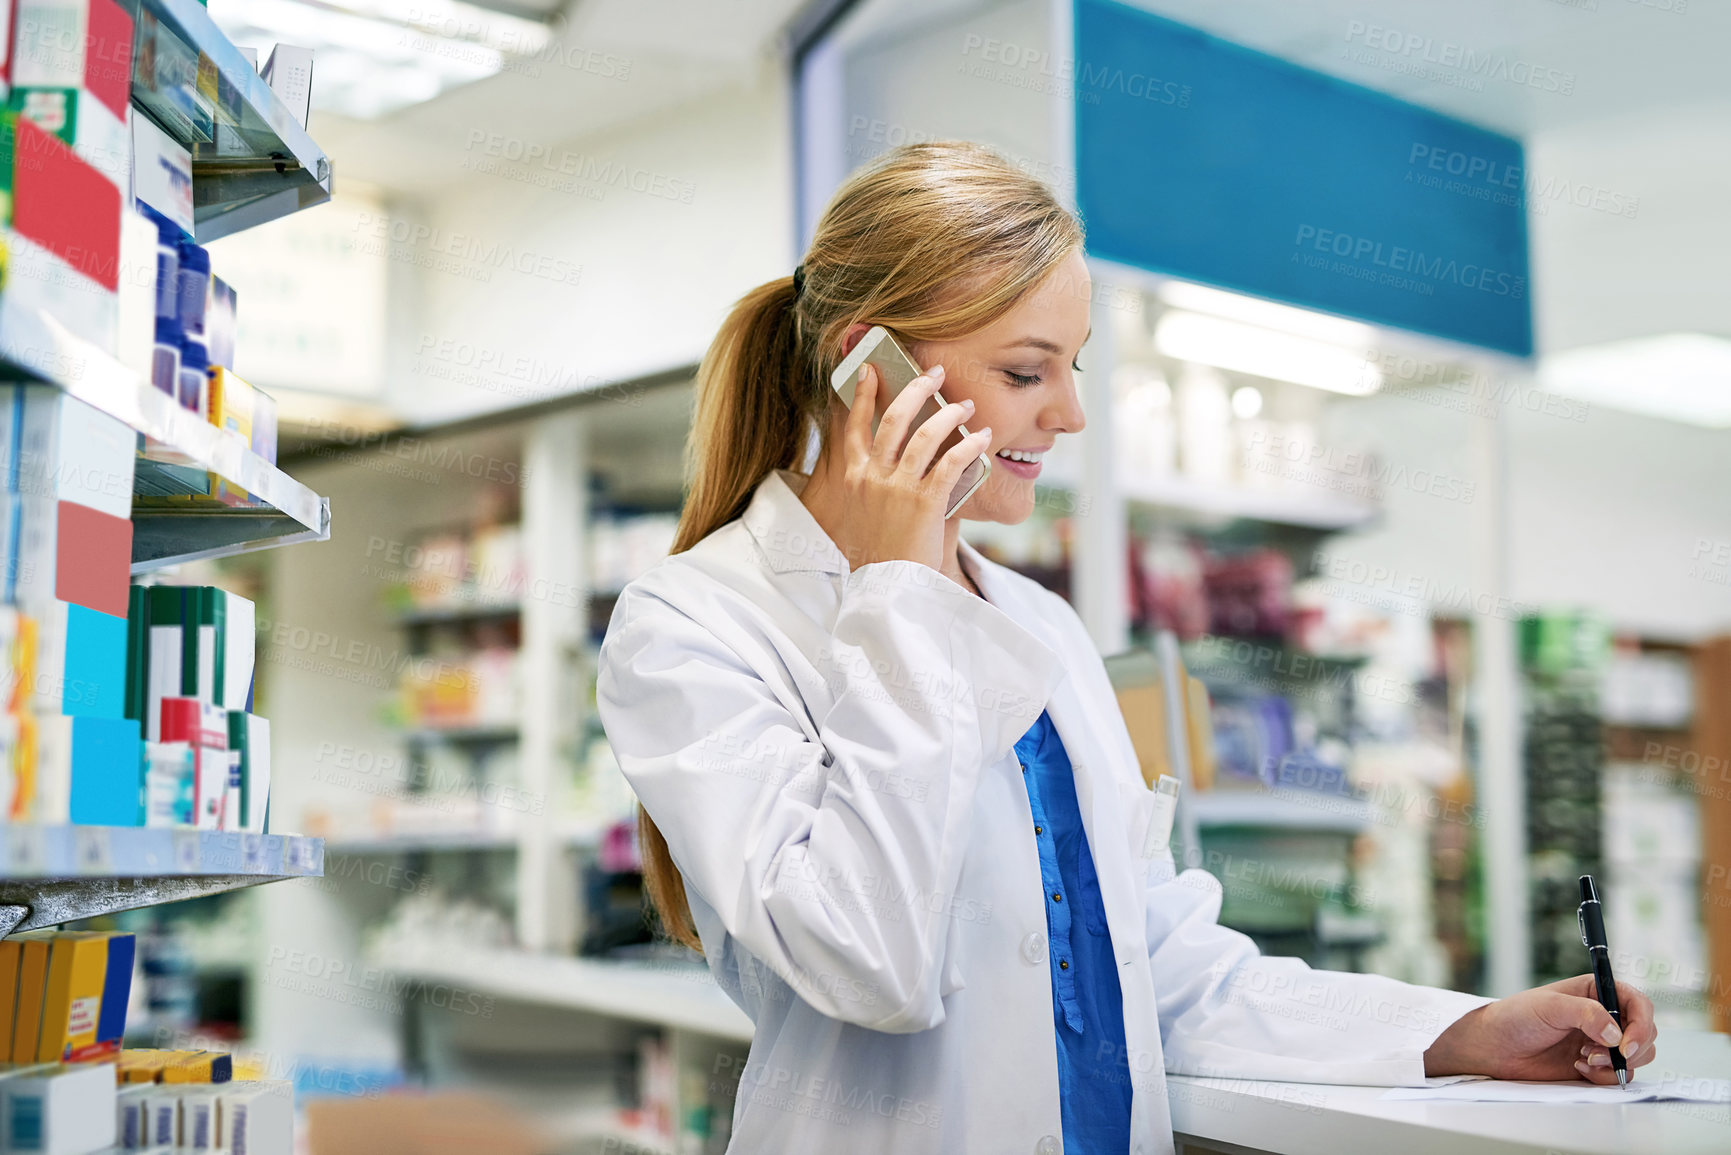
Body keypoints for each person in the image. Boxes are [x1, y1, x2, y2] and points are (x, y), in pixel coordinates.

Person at [594, 141, 1656, 1155]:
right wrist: (898, 594)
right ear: (865, 371)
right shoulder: (693, 622)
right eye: (1026, 371)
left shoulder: (1041, 625)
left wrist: (1459, 1031)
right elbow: (868, 959)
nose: (1069, 415)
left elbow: (1163, 970)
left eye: (1075, 366)